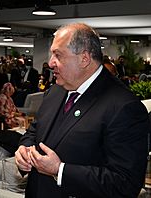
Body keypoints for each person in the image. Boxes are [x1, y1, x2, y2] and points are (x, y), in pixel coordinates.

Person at [15, 23, 151, 198]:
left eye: (58, 55)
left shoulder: (124, 107)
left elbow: (125, 183)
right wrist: (24, 149)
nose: (50, 62)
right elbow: (35, 131)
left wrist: (60, 170)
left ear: (84, 58)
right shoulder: (56, 90)